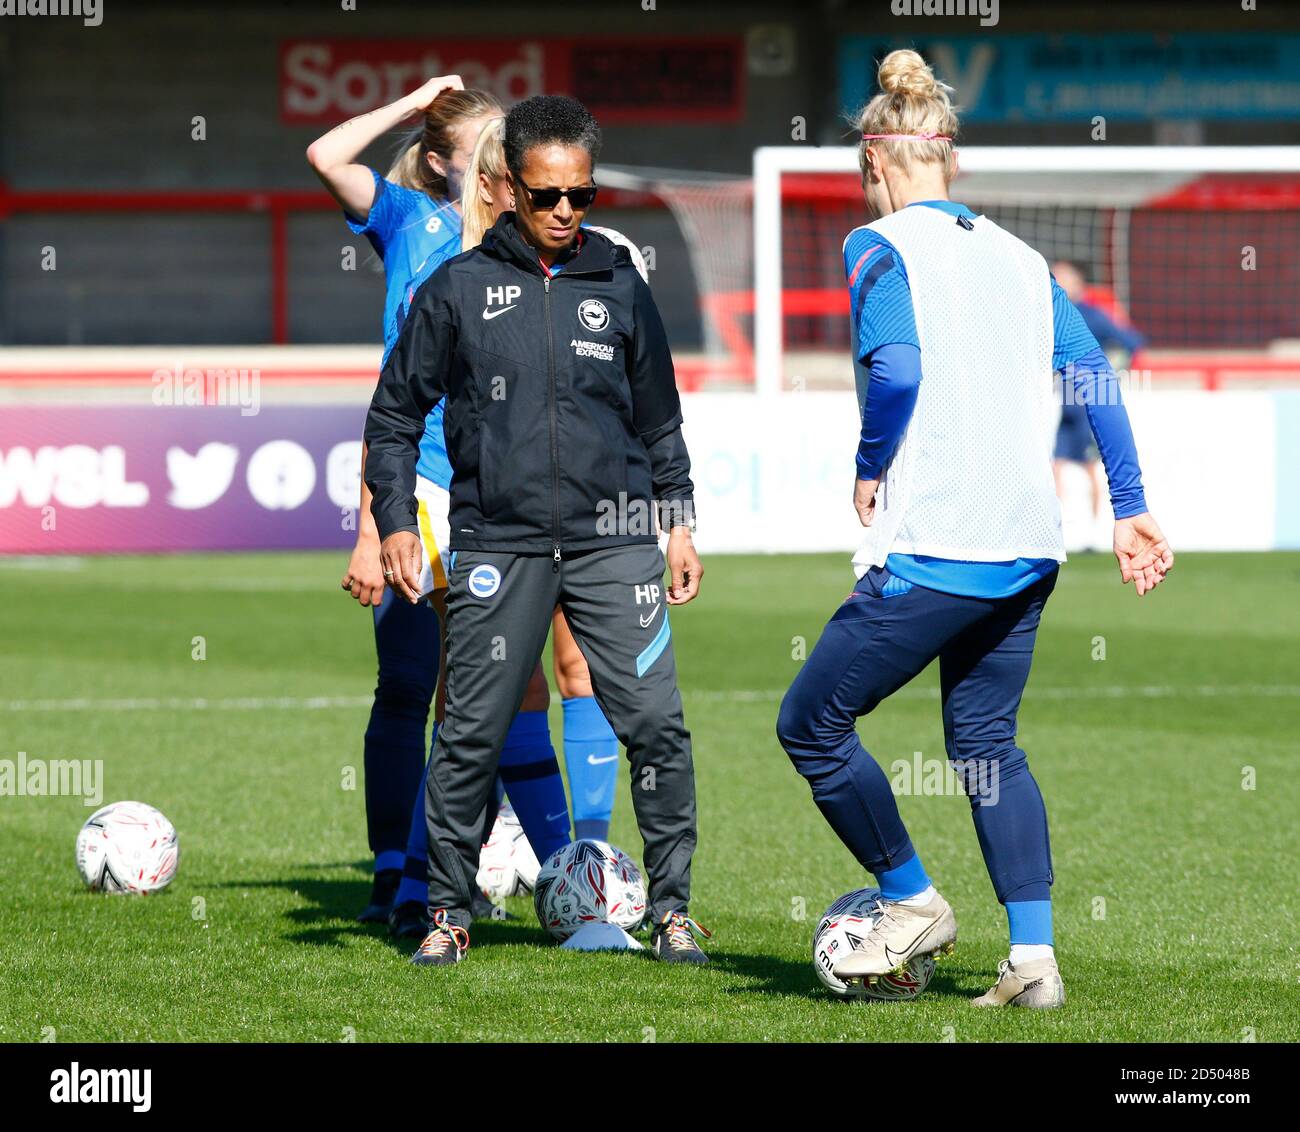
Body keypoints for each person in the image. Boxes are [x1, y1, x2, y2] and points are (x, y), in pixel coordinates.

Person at [775, 50, 1173, 1008]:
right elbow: (1092, 379)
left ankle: (912, 903)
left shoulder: (879, 246)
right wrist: (1130, 507)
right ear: (949, 155)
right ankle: (1033, 962)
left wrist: (871, 464)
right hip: (1031, 547)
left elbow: (899, 370)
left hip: (937, 547)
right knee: (989, 744)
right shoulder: (1024, 258)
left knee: (813, 724)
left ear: (875, 159)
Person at [366, 94, 709, 967]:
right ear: (511, 186)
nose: (564, 212)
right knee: (469, 733)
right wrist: (397, 523)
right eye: (547, 195)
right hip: (497, 546)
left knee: (658, 728)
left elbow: (661, 422)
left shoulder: (621, 285)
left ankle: (670, 913)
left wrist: (678, 526)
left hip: (614, 542)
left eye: (580, 196)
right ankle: (447, 914)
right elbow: (395, 415)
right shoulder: (458, 287)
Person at [306, 79, 573, 930]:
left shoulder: (518, 249)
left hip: (493, 492)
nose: (505, 173)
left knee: (499, 689)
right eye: (490, 156)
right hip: (413, 490)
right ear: (450, 165)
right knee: (410, 681)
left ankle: (565, 878)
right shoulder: (409, 224)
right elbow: (324, 155)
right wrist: (412, 99)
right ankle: (401, 874)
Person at [1050, 260, 1147, 545]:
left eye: (1064, 277)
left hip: (1088, 407)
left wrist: (1114, 369)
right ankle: (1058, 531)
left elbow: (1131, 341)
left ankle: (1093, 533)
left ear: (1079, 282)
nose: (1058, 282)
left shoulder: (1093, 316)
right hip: (1064, 403)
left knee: (1092, 467)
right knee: (1055, 467)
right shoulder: (1051, 312)